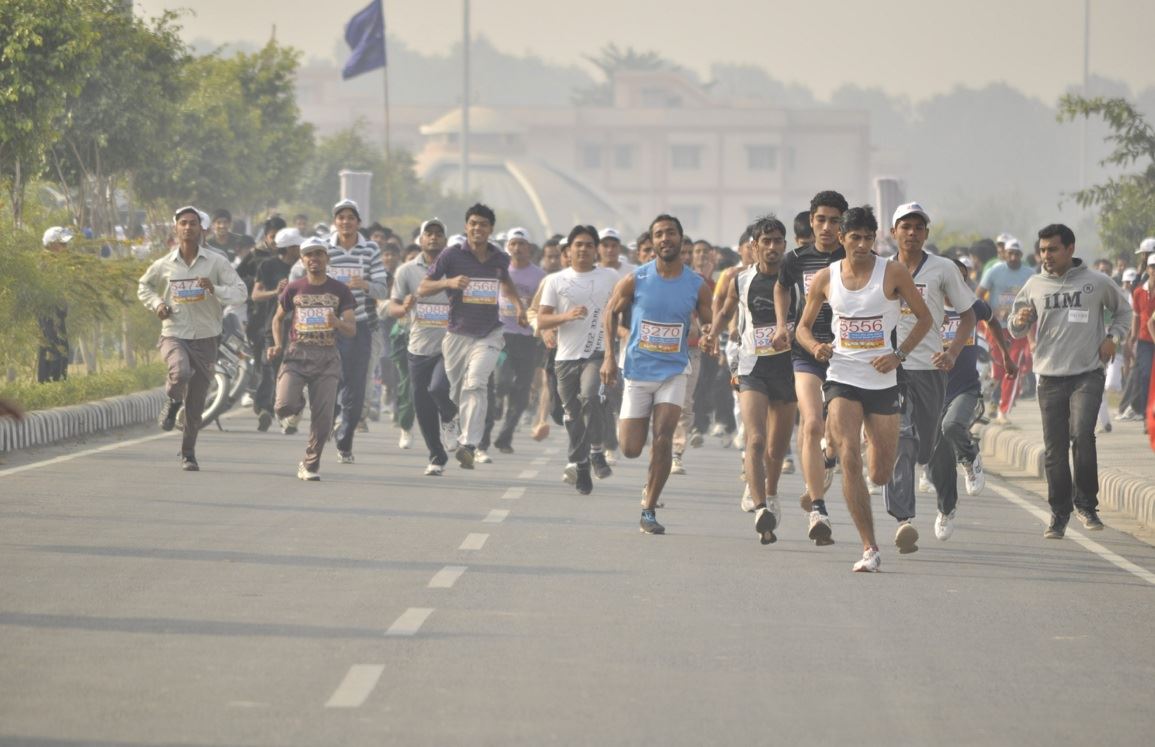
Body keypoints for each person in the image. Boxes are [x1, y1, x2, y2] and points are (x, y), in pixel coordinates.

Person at [795, 206, 933, 572]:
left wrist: (899, 355)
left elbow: (925, 318)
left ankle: (851, 453)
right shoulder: (826, 278)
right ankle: (869, 547)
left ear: (875, 240)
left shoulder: (893, 273)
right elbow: (802, 329)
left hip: (883, 381)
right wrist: (816, 348)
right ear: (841, 239)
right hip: (842, 376)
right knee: (850, 458)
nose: (861, 245)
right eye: (854, 237)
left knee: (880, 473)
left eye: (867, 238)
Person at [1010, 224, 1131, 538]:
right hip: (1049, 377)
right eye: (1043, 249)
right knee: (1054, 449)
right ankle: (1059, 513)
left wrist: (1112, 338)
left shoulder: (1097, 282)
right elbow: (1016, 325)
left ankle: (1087, 505)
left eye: (1052, 249)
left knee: (1082, 435)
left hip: (1087, 374)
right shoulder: (1035, 284)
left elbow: (1124, 312)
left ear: (1070, 249)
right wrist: (1019, 321)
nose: (1046, 255)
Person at [601, 214, 713, 534]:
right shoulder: (636, 279)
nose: (665, 239)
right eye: (659, 234)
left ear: (681, 238)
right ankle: (649, 465)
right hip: (637, 370)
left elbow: (709, 320)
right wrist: (610, 357)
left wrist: (708, 334)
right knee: (632, 448)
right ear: (652, 242)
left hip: (674, 371)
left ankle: (649, 507)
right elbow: (610, 314)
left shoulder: (695, 284)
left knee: (663, 437)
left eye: (671, 233)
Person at [882, 202, 976, 554]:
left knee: (929, 445)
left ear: (926, 233)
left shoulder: (943, 268)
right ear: (894, 232)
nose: (911, 233)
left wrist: (951, 352)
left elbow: (967, 316)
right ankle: (904, 519)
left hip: (931, 368)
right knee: (900, 439)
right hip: (893, 368)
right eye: (905, 226)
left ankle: (946, 502)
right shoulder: (883, 269)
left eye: (918, 227)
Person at [707, 216, 796, 544]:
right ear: (753, 246)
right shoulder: (741, 280)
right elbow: (727, 309)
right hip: (752, 369)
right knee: (756, 440)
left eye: (777, 242)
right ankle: (761, 508)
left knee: (776, 447)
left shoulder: (797, 280)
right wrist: (713, 333)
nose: (772, 247)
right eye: (765, 242)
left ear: (785, 246)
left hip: (787, 370)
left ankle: (770, 494)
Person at [137, 206, 247, 471]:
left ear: (202, 229)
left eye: (193, 223)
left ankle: (188, 453)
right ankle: (173, 401)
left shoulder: (216, 262)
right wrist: (156, 305)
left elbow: (240, 291)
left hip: (207, 337)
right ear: (176, 228)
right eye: (183, 223)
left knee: (196, 402)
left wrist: (215, 289)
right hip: (174, 332)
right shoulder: (164, 264)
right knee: (180, 370)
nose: (188, 228)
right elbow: (144, 286)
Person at [418, 204, 526, 469]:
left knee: (476, 383)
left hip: (489, 332)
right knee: (448, 391)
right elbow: (423, 288)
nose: (478, 229)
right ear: (466, 227)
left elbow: (506, 282)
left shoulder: (499, 258)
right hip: (457, 334)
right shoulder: (451, 256)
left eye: (483, 225)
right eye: (473, 224)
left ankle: (469, 443)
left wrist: (520, 306)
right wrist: (448, 283)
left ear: (491, 229)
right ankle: (450, 419)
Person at [773, 190, 849, 545]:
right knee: (812, 422)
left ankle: (829, 458)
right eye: (821, 220)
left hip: (848, 353)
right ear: (812, 220)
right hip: (807, 350)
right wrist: (780, 324)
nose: (827, 227)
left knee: (835, 431)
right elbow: (781, 288)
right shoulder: (795, 260)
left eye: (835, 221)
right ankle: (817, 508)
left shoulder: (856, 258)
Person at [292, 199, 389, 464]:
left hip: (359, 328)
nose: (345, 222)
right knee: (327, 386)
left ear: (358, 221)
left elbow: (383, 288)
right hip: (324, 330)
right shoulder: (322, 247)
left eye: (351, 217)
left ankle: (345, 440)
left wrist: (365, 284)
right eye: (341, 217)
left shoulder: (370, 249)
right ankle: (322, 431)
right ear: (335, 221)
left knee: (355, 390)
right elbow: (298, 277)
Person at [926, 259, 1016, 540]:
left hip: (965, 388)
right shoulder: (924, 306)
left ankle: (969, 456)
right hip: (930, 391)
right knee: (935, 459)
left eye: (962, 279)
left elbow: (993, 321)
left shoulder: (973, 305)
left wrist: (1004, 354)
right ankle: (946, 509)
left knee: (952, 426)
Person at [537, 225, 620, 494]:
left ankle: (596, 450)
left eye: (588, 244)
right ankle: (582, 464)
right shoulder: (556, 281)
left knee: (590, 397)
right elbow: (542, 319)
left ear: (595, 249)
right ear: (568, 250)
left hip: (596, 354)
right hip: (564, 358)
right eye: (578, 245)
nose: (583, 249)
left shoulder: (609, 276)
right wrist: (566, 316)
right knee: (571, 415)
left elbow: (619, 310)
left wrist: (611, 353)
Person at [267, 237, 357, 480]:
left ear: (327, 258)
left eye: (319, 254)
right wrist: (277, 344)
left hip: (327, 358)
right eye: (309, 254)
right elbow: (278, 318)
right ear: (302, 259)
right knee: (282, 406)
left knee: (324, 419)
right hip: (296, 354)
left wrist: (337, 322)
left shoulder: (340, 290)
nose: (314, 259)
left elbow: (351, 329)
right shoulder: (294, 288)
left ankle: (310, 464)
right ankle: (298, 407)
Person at [387, 218, 459, 476]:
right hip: (418, 347)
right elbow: (393, 307)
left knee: (438, 388)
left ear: (446, 239)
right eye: (429, 233)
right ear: (420, 239)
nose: (433, 237)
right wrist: (403, 308)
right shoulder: (406, 271)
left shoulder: (455, 270)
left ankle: (450, 417)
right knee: (423, 405)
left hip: (450, 345)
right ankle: (436, 456)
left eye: (439, 233)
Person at [489, 227, 547, 456]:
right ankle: (496, 401)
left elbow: (543, 305)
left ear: (530, 249)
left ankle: (505, 436)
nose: (517, 248)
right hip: (501, 334)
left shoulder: (540, 276)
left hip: (527, 338)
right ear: (507, 247)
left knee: (522, 391)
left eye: (522, 244)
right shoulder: (498, 271)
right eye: (513, 244)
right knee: (502, 381)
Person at [249, 228, 302, 431]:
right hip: (275, 323)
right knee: (269, 365)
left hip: (300, 326)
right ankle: (264, 409)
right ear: (289, 248)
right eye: (298, 246)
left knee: (291, 371)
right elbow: (255, 295)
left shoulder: (306, 264)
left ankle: (287, 414)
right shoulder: (268, 266)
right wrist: (276, 292)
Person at [978, 237, 1035, 423]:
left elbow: (1036, 300)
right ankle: (991, 400)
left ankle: (1004, 411)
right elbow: (978, 295)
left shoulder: (1030, 274)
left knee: (1014, 368)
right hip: (996, 327)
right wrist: (990, 311)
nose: (1013, 257)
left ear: (1021, 255)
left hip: (1019, 328)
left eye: (1017, 254)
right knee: (999, 370)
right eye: (1010, 253)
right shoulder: (995, 271)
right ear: (1004, 254)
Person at [37, 227, 73, 383]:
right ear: (51, 245)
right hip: (47, 313)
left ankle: (57, 385)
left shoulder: (58, 264)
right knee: (55, 348)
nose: (65, 248)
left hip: (57, 313)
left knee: (61, 348)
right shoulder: (45, 264)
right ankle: (50, 384)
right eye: (62, 244)